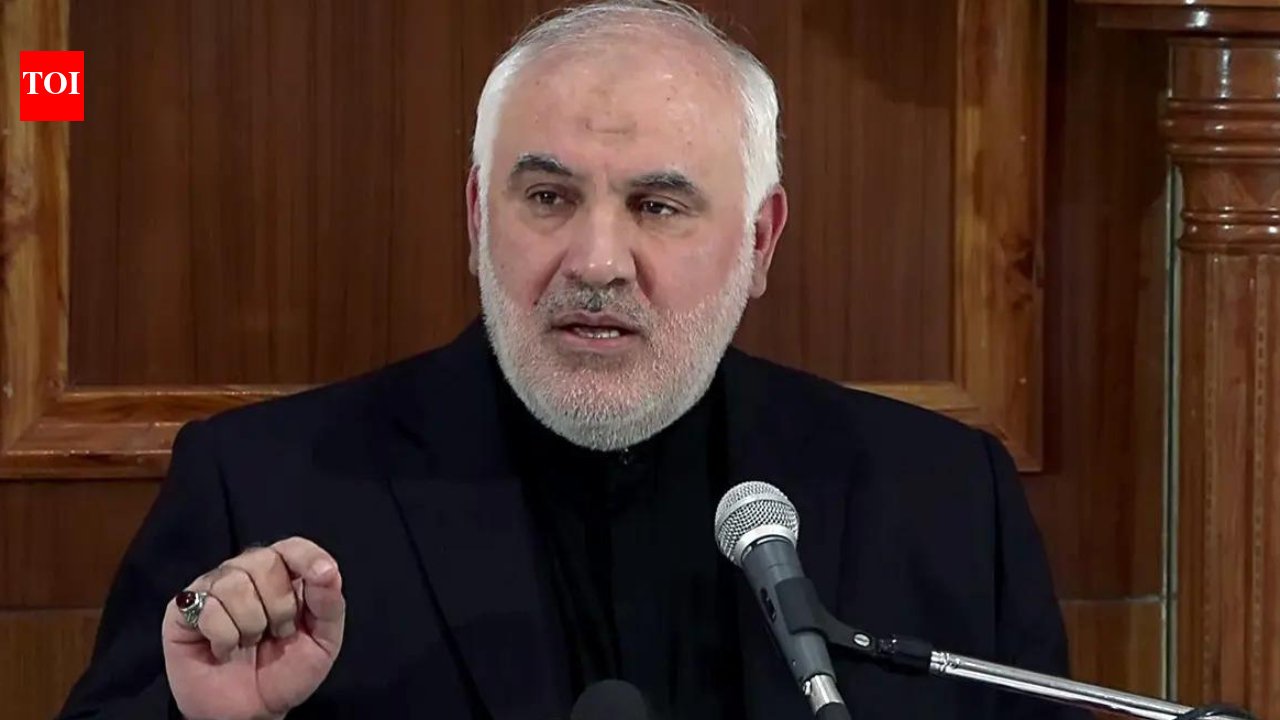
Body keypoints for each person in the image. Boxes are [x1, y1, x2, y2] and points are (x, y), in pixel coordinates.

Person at [58, 2, 1083, 719]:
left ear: (760, 240)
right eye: (547, 198)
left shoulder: (945, 504)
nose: (596, 263)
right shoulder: (259, 489)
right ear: (478, 217)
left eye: (658, 206)